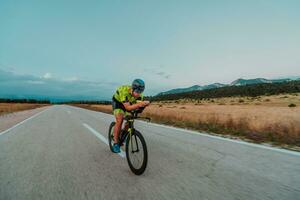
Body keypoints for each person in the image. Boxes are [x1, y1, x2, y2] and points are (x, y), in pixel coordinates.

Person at [111, 79, 150, 153]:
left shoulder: (139, 96)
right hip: (118, 103)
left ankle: (122, 134)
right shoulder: (124, 91)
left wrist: (143, 106)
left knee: (130, 120)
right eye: (137, 92)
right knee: (120, 120)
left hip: (129, 103)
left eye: (140, 92)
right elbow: (128, 108)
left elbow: (137, 109)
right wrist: (139, 104)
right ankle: (116, 143)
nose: (138, 94)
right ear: (132, 89)